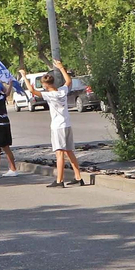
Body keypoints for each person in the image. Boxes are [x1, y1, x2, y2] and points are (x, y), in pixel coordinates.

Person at [41, 60, 83, 188]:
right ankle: (78, 177)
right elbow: (69, 81)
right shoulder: (62, 91)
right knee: (69, 152)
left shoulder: (49, 95)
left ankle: (59, 180)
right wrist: (61, 67)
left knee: (59, 154)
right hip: (67, 124)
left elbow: (32, 90)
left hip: (57, 127)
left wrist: (24, 76)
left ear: (45, 85)